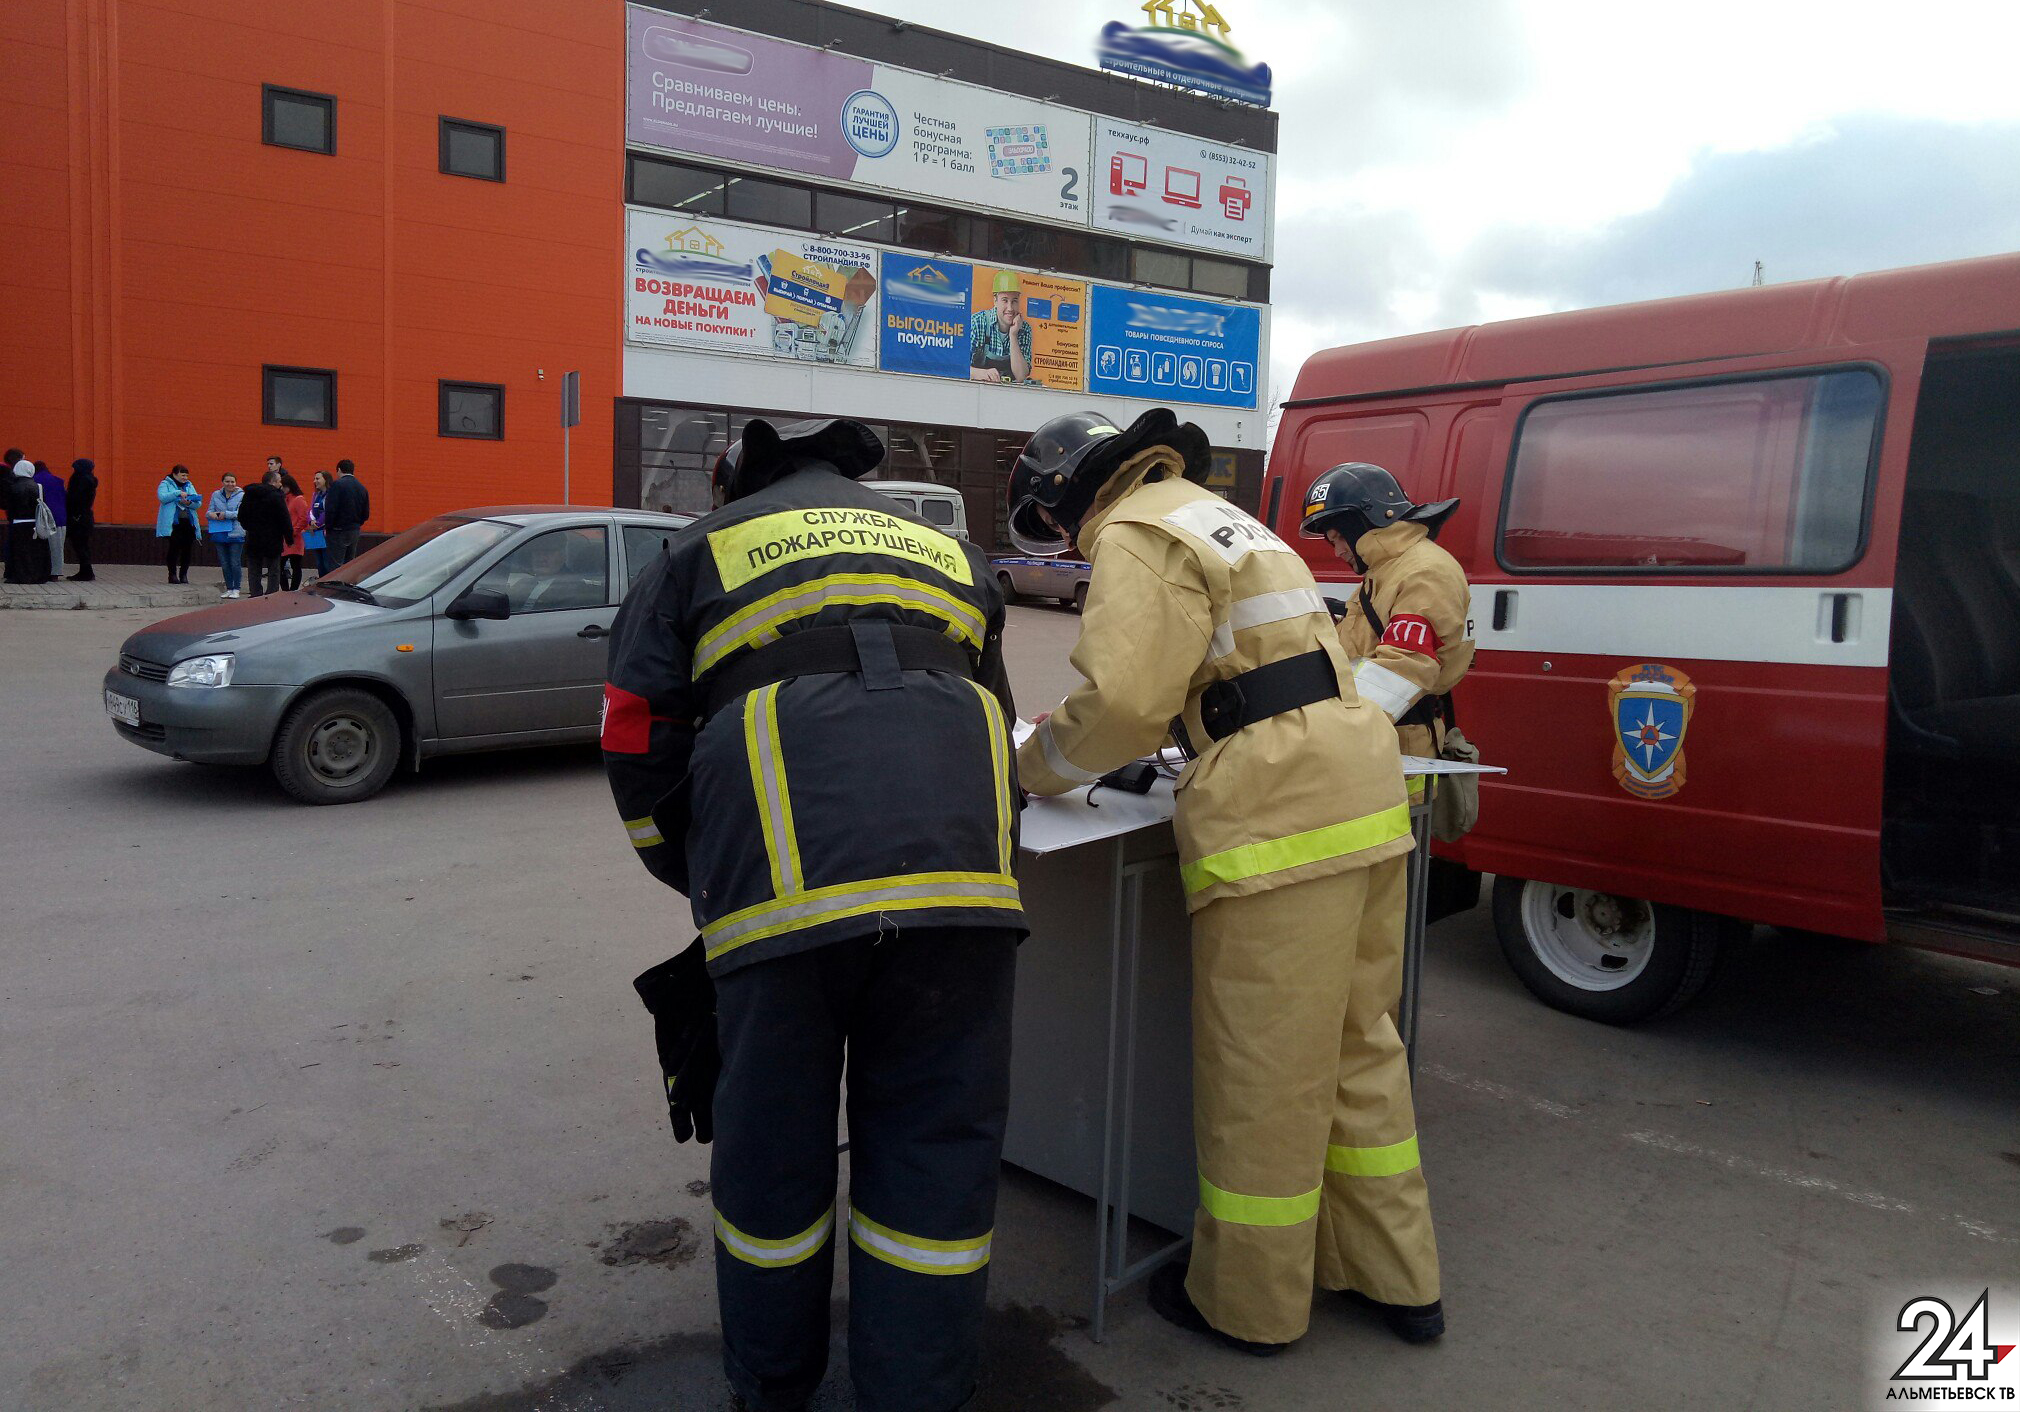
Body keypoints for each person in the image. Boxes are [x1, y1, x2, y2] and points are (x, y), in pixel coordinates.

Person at [603, 417, 1023, 1412]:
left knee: (773, 1152)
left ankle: (773, 1382)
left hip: (780, 903)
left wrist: (698, 870)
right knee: (936, 1148)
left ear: (740, 478)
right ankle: (915, 1390)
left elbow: (634, 727)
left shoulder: (699, 551)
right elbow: (997, 719)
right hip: (962, 893)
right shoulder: (953, 553)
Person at [1006, 408, 1433, 1355]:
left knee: (1265, 1072)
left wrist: (1030, 768)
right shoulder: (1213, 512)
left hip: (1280, 814)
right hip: (1360, 782)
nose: (1065, 541)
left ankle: (1250, 1303)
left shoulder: (1135, 532)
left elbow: (1120, 703)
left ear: (1071, 492)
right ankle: (1394, 1271)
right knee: (1361, 1045)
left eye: (1052, 520)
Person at [1301, 463, 1474, 793]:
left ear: (1366, 522)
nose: (1337, 552)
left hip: (1397, 753)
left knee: (1390, 844)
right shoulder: (1384, 572)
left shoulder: (1425, 571)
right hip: (1371, 744)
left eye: (1339, 538)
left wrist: (1320, 729)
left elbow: (1402, 669)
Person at [968, 270, 1032, 384]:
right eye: (1005, 300)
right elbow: (958, 367)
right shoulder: (978, 322)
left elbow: (1021, 375)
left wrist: (1013, 335)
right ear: (995, 301)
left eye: (1014, 301)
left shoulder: (1024, 329)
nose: (1010, 308)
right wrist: (982, 373)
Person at [240, 468, 294, 596]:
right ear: (273, 482)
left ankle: (255, 594)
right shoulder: (276, 496)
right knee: (274, 570)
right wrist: (289, 538)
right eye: (279, 481)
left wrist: (250, 527)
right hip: (273, 538)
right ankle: (272, 595)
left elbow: (241, 515)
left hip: (253, 537)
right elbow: (284, 518)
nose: (281, 484)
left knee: (254, 569)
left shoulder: (249, 494)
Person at [157, 465, 204, 584]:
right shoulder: (165, 484)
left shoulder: (189, 485)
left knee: (187, 549)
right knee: (174, 548)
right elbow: (162, 497)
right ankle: (172, 574)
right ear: (174, 474)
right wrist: (178, 493)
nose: (185, 478)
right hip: (173, 523)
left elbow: (198, 503)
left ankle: (184, 574)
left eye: (187, 475)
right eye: (183, 475)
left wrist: (188, 502)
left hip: (188, 522)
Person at [323, 458, 369, 565]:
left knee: (336, 565)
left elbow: (331, 510)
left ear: (339, 470)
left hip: (337, 531)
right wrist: (357, 524)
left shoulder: (337, 485)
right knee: (349, 565)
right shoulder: (362, 488)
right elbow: (365, 513)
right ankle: (348, 582)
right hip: (354, 530)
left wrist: (328, 527)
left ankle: (337, 582)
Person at [4, 453, 41, 584]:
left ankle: (20, 576)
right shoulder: (37, 486)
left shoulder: (14, 486)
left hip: (18, 522)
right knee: (32, 551)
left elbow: (8, 504)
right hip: (34, 522)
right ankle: (33, 574)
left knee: (19, 551)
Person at [207, 472, 245, 598]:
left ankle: (236, 588)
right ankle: (229, 588)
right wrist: (211, 515)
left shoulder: (242, 495)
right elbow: (209, 511)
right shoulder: (216, 494)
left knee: (235, 562)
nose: (230, 484)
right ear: (222, 482)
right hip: (219, 531)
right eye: (227, 481)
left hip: (236, 532)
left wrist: (225, 514)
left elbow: (241, 513)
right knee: (224, 562)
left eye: (232, 482)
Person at [33, 460, 67, 581]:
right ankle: (55, 573)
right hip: (60, 518)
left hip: (42, 518)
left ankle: (42, 570)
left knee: (42, 547)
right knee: (57, 547)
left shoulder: (34, 480)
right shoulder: (58, 480)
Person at [66, 458, 98, 581]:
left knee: (80, 545)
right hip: (85, 517)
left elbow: (74, 499)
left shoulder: (80, 481)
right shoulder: (89, 480)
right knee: (82, 546)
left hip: (78, 518)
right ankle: (86, 572)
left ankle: (86, 573)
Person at [279, 470, 310, 591]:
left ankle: (293, 590)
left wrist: (294, 531)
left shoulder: (298, 499)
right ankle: (286, 590)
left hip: (295, 537)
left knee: (295, 565)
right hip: (286, 537)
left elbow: (303, 518)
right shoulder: (285, 499)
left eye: (283, 487)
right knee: (280, 565)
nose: (282, 489)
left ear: (289, 486)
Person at [304, 471, 331, 578]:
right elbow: (310, 510)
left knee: (326, 562)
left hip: (325, 532)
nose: (315, 481)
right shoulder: (316, 495)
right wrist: (311, 521)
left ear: (326, 480)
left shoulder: (330, 495)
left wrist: (318, 523)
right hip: (315, 532)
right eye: (315, 478)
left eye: (318, 478)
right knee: (319, 562)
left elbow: (328, 511)